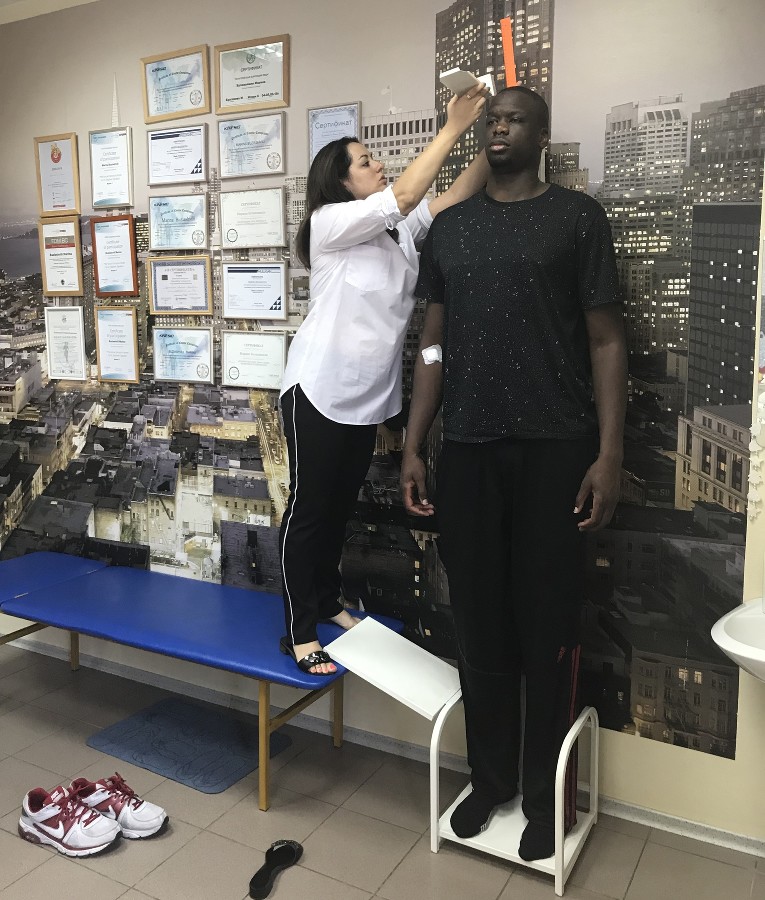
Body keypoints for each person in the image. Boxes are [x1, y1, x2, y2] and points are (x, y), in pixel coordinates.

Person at [401, 85, 626, 861]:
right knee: (479, 625)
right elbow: (433, 341)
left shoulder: (575, 218)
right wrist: (414, 441)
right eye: (491, 120)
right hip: (466, 449)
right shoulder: (451, 228)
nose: (498, 128)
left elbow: (605, 341)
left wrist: (608, 453)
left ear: (541, 135)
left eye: (514, 120)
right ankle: (489, 779)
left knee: (547, 628)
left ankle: (542, 796)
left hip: (554, 450)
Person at [278, 87, 491, 676]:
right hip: (317, 391)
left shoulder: (395, 234)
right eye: (365, 161)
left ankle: (328, 600)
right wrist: (452, 127)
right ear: (340, 181)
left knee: (338, 509)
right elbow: (404, 196)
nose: (378, 164)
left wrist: (490, 137)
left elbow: (451, 195)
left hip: (366, 399)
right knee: (309, 509)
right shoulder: (329, 224)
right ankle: (298, 629)